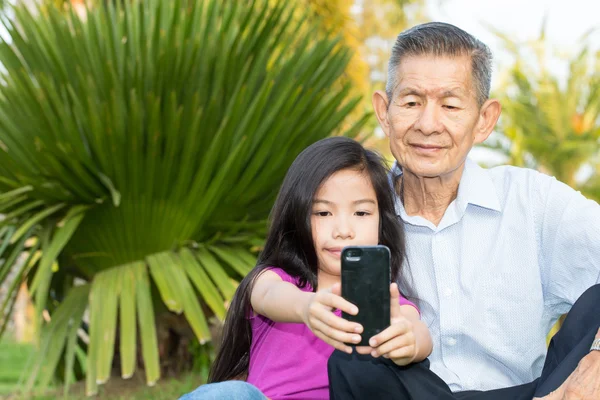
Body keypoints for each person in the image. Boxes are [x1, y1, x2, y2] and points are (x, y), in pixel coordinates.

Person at [327, 22, 600, 399]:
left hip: (532, 394)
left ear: (484, 120)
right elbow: (277, 281)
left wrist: (596, 360)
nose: (427, 124)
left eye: (450, 105)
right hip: (410, 394)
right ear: (384, 112)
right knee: (354, 363)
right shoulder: (353, 211)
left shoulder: (533, 201)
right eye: (411, 102)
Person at [179, 136, 433, 400]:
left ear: (383, 221)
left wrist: (410, 343)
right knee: (231, 394)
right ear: (297, 216)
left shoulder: (384, 302)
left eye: (361, 213)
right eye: (323, 213)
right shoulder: (278, 281)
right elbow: (267, 295)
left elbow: (416, 330)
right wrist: (306, 307)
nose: (343, 230)